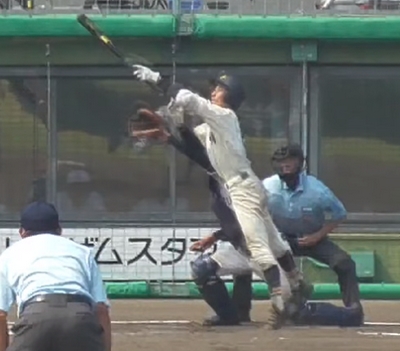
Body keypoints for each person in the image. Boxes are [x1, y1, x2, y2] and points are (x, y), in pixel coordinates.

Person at [132, 65, 312, 329]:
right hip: (245, 184)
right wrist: (174, 130)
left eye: (220, 88)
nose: (214, 91)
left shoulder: (225, 116)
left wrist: (156, 79)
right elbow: (195, 144)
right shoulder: (214, 126)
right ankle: (297, 283)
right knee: (272, 241)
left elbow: (187, 99)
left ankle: (280, 301)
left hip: (242, 187)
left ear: (230, 95)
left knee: (258, 245)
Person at [229, 143, 363, 324]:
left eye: (290, 161)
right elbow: (253, 211)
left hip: (313, 238)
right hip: (278, 240)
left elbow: (340, 214)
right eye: (280, 162)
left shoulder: (317, 190)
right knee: (245, 263)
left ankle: (354, 311)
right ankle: (240, 312)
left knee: (345, 263)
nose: (285, 166)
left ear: (300, 163)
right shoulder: (267, 187)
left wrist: (318, 235)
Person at [0, 201, 111, 351]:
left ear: (22, 232)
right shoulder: (83, 252)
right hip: (80, 317)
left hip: (35, 316)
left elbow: (0, 314)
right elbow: (101, 309)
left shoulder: (8, 255)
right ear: (59, 230)